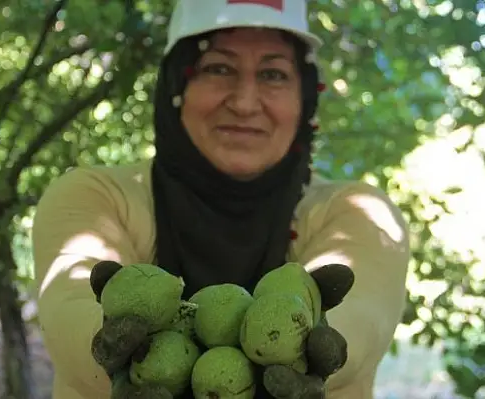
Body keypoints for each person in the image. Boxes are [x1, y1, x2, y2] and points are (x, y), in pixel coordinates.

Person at [31, 0, 410, 398]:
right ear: (177, 86)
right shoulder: (95, 197)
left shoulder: (360, 214)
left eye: (273, 74)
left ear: (305, 99)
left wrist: (310, 352)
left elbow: (364, 318)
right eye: (218, 68)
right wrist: (110, 354)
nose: (245, 102)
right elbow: (68, 310)